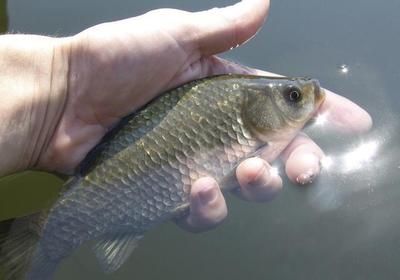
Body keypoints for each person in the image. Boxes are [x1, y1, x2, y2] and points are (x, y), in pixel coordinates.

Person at [0, 0, 371, 232]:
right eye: (293, 97)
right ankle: (39, 233)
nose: (304, 98)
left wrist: (54, 89)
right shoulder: (239, 109)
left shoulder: (242, 111)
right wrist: (59, 83)